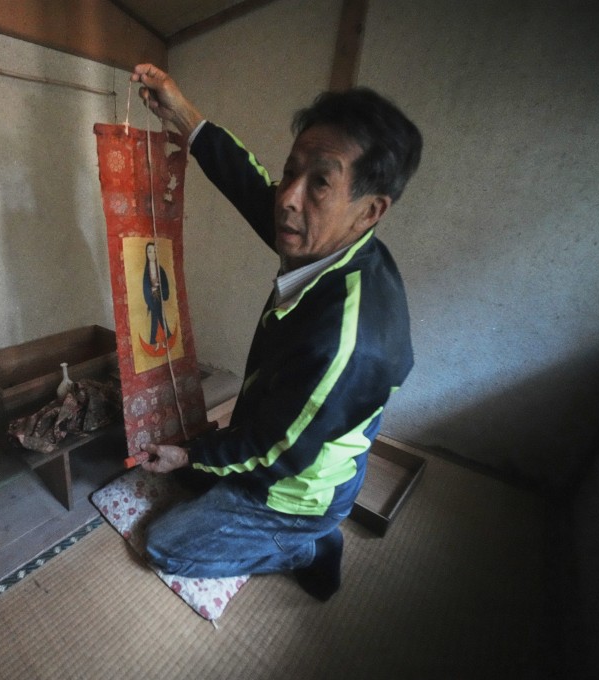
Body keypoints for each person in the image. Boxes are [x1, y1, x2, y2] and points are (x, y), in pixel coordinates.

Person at [130, 63, 422, 600]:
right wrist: (181, 112)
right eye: (292, 172)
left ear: (371, 210)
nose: (288, 196)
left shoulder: (350, 339)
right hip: (290, 432)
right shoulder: (327, 241)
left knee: (165, 545)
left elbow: (278, 448)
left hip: (297, 485)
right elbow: (249, 185)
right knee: (191, 467)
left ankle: (310, 546)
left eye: (320, 183)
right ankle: (236, 485)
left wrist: (194, 453)